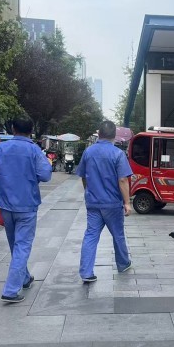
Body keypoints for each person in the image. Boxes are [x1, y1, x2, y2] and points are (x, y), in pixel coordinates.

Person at [0, 117, 52, 303]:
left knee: (15, 244)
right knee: (22, 245)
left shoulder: (0, 148)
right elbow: (45, 175)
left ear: (13, 129)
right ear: (31, 131)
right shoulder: (34, 150)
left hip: (6, 205)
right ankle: (11, 290)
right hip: (27, 205)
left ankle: (24, 277)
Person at [76, 120, 133, 283]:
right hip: (112, 204)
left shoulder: (88, 152)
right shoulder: (118, 154)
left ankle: (86, 272)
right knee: (118, 235)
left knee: (91, 235)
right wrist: (127, 203)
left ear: (99, 134)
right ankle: (123, 264)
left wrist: (88, 191)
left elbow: (83, 176)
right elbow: (123, 180)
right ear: (114, 135)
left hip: (93, 203)